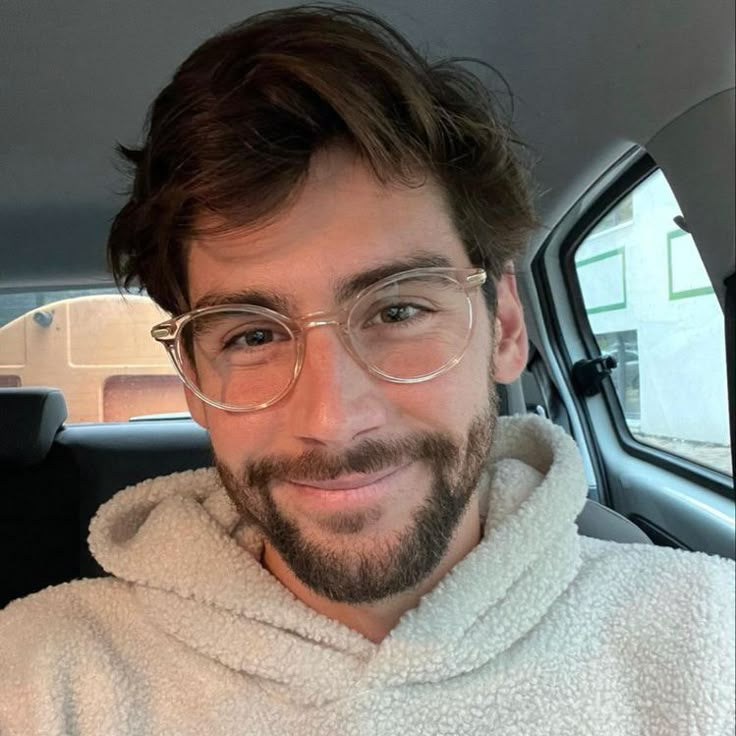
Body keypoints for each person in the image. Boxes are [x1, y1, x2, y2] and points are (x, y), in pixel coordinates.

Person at [0, 6, 733, 735]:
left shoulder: (707, 640)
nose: (333, 420)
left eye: (398, 311)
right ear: (193, 377)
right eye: (254, 335)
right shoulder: (35, 674)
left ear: (506, 327)